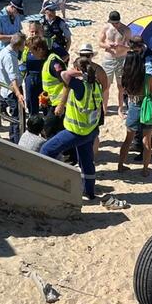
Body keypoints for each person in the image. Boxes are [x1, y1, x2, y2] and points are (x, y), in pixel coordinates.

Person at [41, 57, 104, 200]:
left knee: (46, 150)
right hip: (91, 130)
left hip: (76, 131)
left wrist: (78, 73)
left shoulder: (80, 86)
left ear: (77, 70)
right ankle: (89, 192)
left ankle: (53, 184)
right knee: (87, 162)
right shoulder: (96, 85)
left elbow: (64, 75)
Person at [117, 48, 152, 176]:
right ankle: (145, 170)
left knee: (128, 140)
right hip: (146, 109)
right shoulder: (148, 77)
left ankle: (120, 165)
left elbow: (124, 92)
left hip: (133, 107)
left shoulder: (126, 78)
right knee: (146, 141)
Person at [78, 43, 109, 156]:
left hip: (89, 106)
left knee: (92, 132)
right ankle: (89, 156)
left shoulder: (97, 70)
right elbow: (105, 87)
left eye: (86, 55)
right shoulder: (95, 69)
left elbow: (105, 87)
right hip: (88, 105)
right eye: (83, 55)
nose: (85, 57)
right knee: (89, 131)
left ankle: (91, 156)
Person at [98, 11, 132, 117]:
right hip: (108, 59)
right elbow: (100, 43)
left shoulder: (126, 30)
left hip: (121, 59)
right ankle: (104, 108)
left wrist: (121, 46)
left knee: (121, 86)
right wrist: (108, 45)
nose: (115, 25)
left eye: (116, 23)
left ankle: (120, 109)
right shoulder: (106, 28)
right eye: (113, 23)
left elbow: (131, 47)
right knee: (106, 85)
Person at [0, 33, 26, 144]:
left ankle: (13, 138)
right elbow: (12, 77)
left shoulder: (5, 51)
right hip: (12, 91)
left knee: (15, 118)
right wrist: (19, 94)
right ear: (19, 45)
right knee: (18, 119)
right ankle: (17, 142)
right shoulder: (10, 57)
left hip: (6, 89)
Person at [22, 30, 48, 116]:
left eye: (36, 32)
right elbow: (22, 63)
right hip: (30, 77)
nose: (34, 34)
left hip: (42, 76)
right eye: (32, 32)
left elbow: (65, 55)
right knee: (30, 101)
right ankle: (33, 117)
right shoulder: (26, 49)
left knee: (45, 101)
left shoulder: (45, 49)